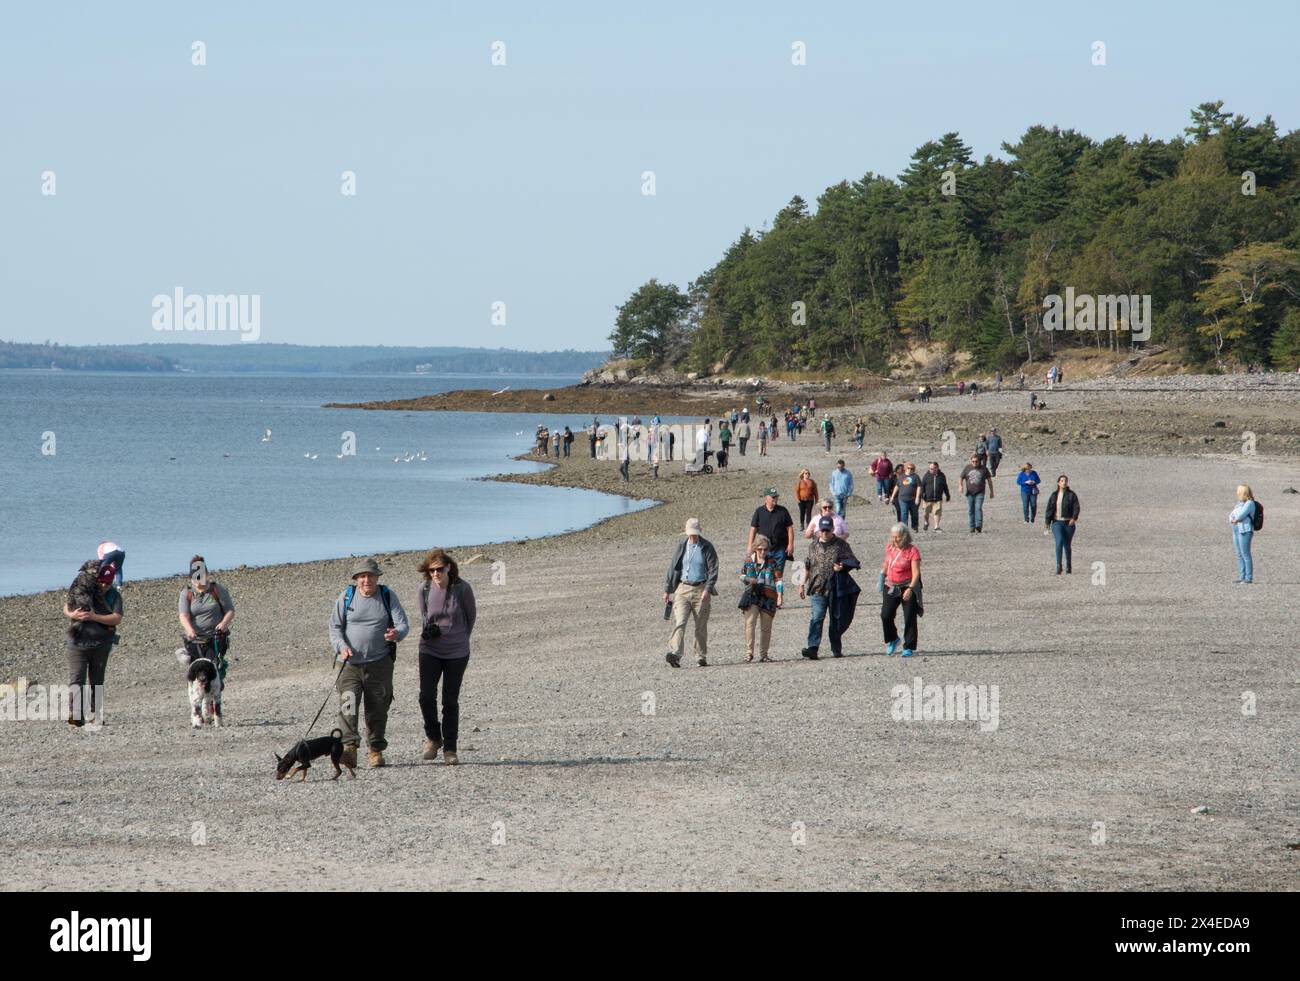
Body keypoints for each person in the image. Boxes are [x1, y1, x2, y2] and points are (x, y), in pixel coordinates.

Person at [329, 558, 411, 768]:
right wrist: (341, 647)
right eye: (362, 576)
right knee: (348, 707)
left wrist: (397, 634)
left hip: (379, 664)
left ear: (377, 577)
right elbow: (335, 628)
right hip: (348, 666)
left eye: (370, 576)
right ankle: (349, 750)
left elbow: (402, 624)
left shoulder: (387, 596)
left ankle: (375, 750)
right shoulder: (346, 597)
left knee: (377, 709)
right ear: (356, 579)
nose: (367, 580)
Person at [413, 549, 476, 766]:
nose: (436, 574)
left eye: (440, 569)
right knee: (425, 696)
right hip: (429, 649)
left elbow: (470, 617)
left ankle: (450, 748)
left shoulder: (462, 588)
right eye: (432, 570)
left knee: (450, 701)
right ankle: (433, 737)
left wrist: (458, 639)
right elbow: (424, 617)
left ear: (448, 567)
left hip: (457, 652)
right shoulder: (424, 589)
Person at [63, 546, 125, 726]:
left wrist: (94, 617)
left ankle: (95, 713)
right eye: (102, 582)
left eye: (108, 582)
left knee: (97, 681)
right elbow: (67, 605)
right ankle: (75, 714)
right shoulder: (85, 587)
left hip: (101, 644)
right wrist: (72, 615)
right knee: (76, 679)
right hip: (77, 642)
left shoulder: (114, 595)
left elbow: (117, 618)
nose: (105, 586)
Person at [799, 516, 860, 659]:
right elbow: (807, 565)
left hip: (835, 589)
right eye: (823, 530)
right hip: (817, 588)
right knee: (816, 618)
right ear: (819, 530)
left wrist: (842, 566)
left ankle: (836, 649)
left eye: (828, 530)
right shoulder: (813, 545)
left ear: (833, 529)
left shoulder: (841, 544)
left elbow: (854, 561)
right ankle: (812, 648)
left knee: (835, 619)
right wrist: (801, 584)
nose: (825, 533)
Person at [663, 518, 718, 667]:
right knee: (680, 621)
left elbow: (714, 569)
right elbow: (672, 568)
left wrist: (708, 588)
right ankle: (675, 653)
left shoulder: (707, 547)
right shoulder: (681, 546)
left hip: (701, 588)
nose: (692, 536)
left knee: (700, 625)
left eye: (694, 534)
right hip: (682, 588)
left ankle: (700, 656)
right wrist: (667, 590)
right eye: (690, 534)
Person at [178, 555, 235, 682]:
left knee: (210, 668)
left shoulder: (216, 589)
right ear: (191, 578)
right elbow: (183, 615)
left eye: (201, 577)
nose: (198, 581)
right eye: (195, 578)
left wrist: (224, 623)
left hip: (214, 638)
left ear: (206, 574)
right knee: (195, 673)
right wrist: (190, 630)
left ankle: (216, 689)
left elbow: (230, 611)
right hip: (195, 640)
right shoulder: (186, 593)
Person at [879, 523, 922, 657]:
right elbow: (886, 563)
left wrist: (910, 589)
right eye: (893, 537)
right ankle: (892, 639)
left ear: (904, 537)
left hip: (907, 585)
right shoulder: (890, 548)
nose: (894, 540)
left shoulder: (913, 551)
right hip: (891, 585)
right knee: (885, 615)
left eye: (897, 537)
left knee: (909, 616)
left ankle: (908, 646)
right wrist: (881, 576)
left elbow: (916, 573)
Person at [739, 535, 783, 662]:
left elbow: (778, 580)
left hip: (769, 596)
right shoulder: (748, 562)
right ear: (755, 549)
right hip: (752, 595)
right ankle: (749, 653)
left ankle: (764, 654)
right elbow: (741, 576)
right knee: (750, 624)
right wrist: (748, 579)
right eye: (759, 549)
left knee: (766, 627)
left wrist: (780, 595)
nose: (762, 552)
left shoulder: (772, 562)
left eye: (765, 549)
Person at [749, 488, 795, 576]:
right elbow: (753, 529)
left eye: (776, 497)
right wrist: (750, 546)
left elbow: (790, 529)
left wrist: (790, 545)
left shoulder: (783, 511)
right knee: (763, 573)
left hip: (780, 549)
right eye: (773, 497)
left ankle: (777, 589)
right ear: (766, 499)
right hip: (763, 549)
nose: (775, 499)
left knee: (778, 575)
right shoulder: (759, 511)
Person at [1042, 475, 1081, 574]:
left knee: (1067, 545)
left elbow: (1076, 507)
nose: (1064, 482)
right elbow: (1049, 509)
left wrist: (1074, 518)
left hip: (1068, 523)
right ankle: (1059, 566)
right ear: (1058, 483)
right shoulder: (1054, 495)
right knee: (1059, 541)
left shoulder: (1071, 495)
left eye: (1065, 481)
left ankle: (1069, 566)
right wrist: (1047, 522)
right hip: (1057, 522)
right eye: (1062, 481)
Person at [1228, 485, 1258, 584]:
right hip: (1236, 530)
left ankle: (1248, 577)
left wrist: (1235, 519)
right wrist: (1232, 519)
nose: (1237, 493)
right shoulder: (1240, 503)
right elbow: (1232, 514)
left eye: (1238, 491)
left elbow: (1240, 515)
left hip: (1245, 530)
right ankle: (1242, 576)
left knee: (1245, 554)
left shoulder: (1250, 503)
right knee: (1239, 554)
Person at [958, 454, 993, 533]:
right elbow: (961, 477)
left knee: (978, 508)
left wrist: (991, 492)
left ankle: (978, 526)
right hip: (970, 493)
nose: (974, 463)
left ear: (979, 461)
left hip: (980, 492)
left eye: (976, 461)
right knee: (971, 510)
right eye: (973, 461)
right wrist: (960, 486)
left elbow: (989, 480)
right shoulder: (967, 468)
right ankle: (972, 527)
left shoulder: (984, 469)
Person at [889, 462, 922, 531]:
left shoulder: (915, 477)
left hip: (913, 499)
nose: (910, 470)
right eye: (908, 468)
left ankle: (915, 526)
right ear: (906, 468)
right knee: (904, 513)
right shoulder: (901, 477)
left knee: (914, 513)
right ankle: (904, 528)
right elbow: (897, 486)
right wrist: (892, 496)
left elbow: (919, 487)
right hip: (902, 499)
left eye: (912, 468)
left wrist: (917, 497)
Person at [919, 461, 950, 532]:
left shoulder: (942, 476)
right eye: (930, 468)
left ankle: (936, 527)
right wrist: (921, 495)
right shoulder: (926, 475)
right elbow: (922, 485)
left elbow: (945, 486)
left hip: (938, 498)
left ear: (937, 468)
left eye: (932, 468)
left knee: (937, 512)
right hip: (927, 498)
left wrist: (947, 495)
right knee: (925, 513)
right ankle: (926, 522)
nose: (931, 470)